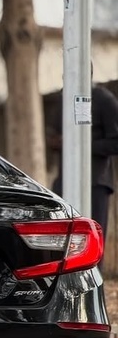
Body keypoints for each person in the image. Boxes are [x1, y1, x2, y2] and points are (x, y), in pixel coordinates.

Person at [46, 79, 118, 235]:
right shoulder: (64, 99)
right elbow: (52, 135)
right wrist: (56, 141)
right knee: (61, 240)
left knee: (92, 239)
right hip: (64, 182)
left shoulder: (105, 100)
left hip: (96, 182)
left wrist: (83, 145)